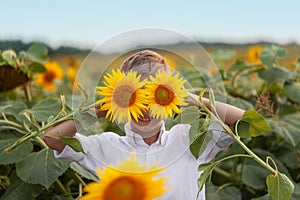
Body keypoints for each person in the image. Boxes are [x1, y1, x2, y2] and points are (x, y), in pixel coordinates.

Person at [44, 50, 244, 199]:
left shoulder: (188, 138)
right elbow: (53, 139)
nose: (145, 109)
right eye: (136, 97)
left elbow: (242, 121)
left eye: (153, 98)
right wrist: (102, 109)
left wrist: (188, 98)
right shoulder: (108, 147)